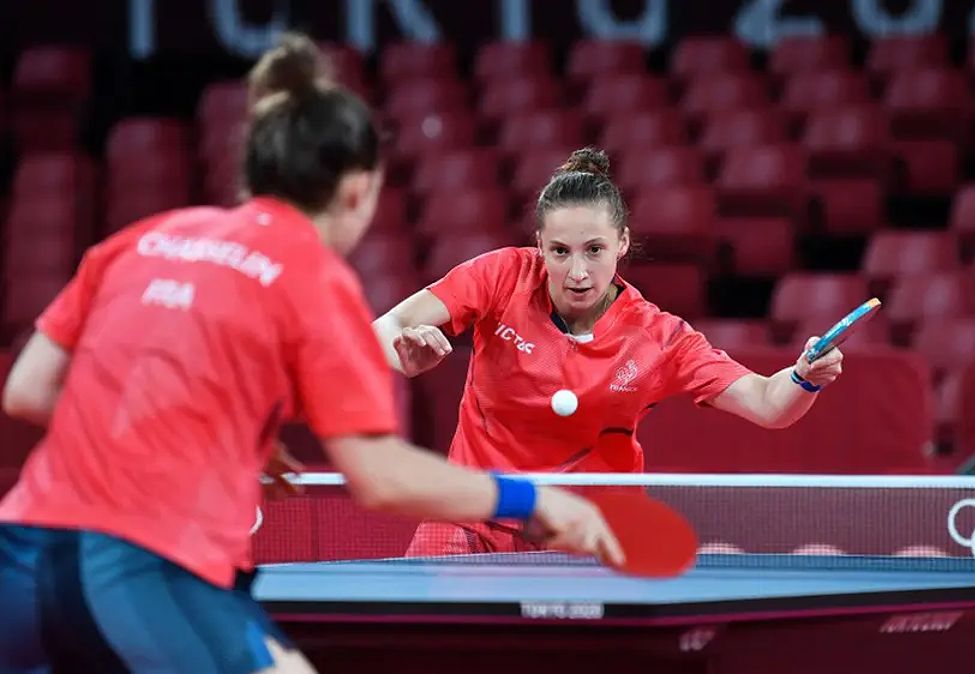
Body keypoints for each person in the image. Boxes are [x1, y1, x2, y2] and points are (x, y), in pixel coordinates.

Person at [0, 34, 621, 674]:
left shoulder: (145, 237)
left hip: (22, 555)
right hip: (142, 567)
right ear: (358, 190)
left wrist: (206, 434)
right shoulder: (312, 280)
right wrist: (530, 500)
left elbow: (27, 389)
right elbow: (381, 478)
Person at [373, 147, 846, 557]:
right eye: (560, 251)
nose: (577, 271)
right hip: (468, 515)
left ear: (622, 243)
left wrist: (804, 376)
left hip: (584, 534)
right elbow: (381, 331)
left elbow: (768, 404)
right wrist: (402, 355)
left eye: (594, 250)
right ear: (539, 245)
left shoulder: (657, 337)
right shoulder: (501, 277)